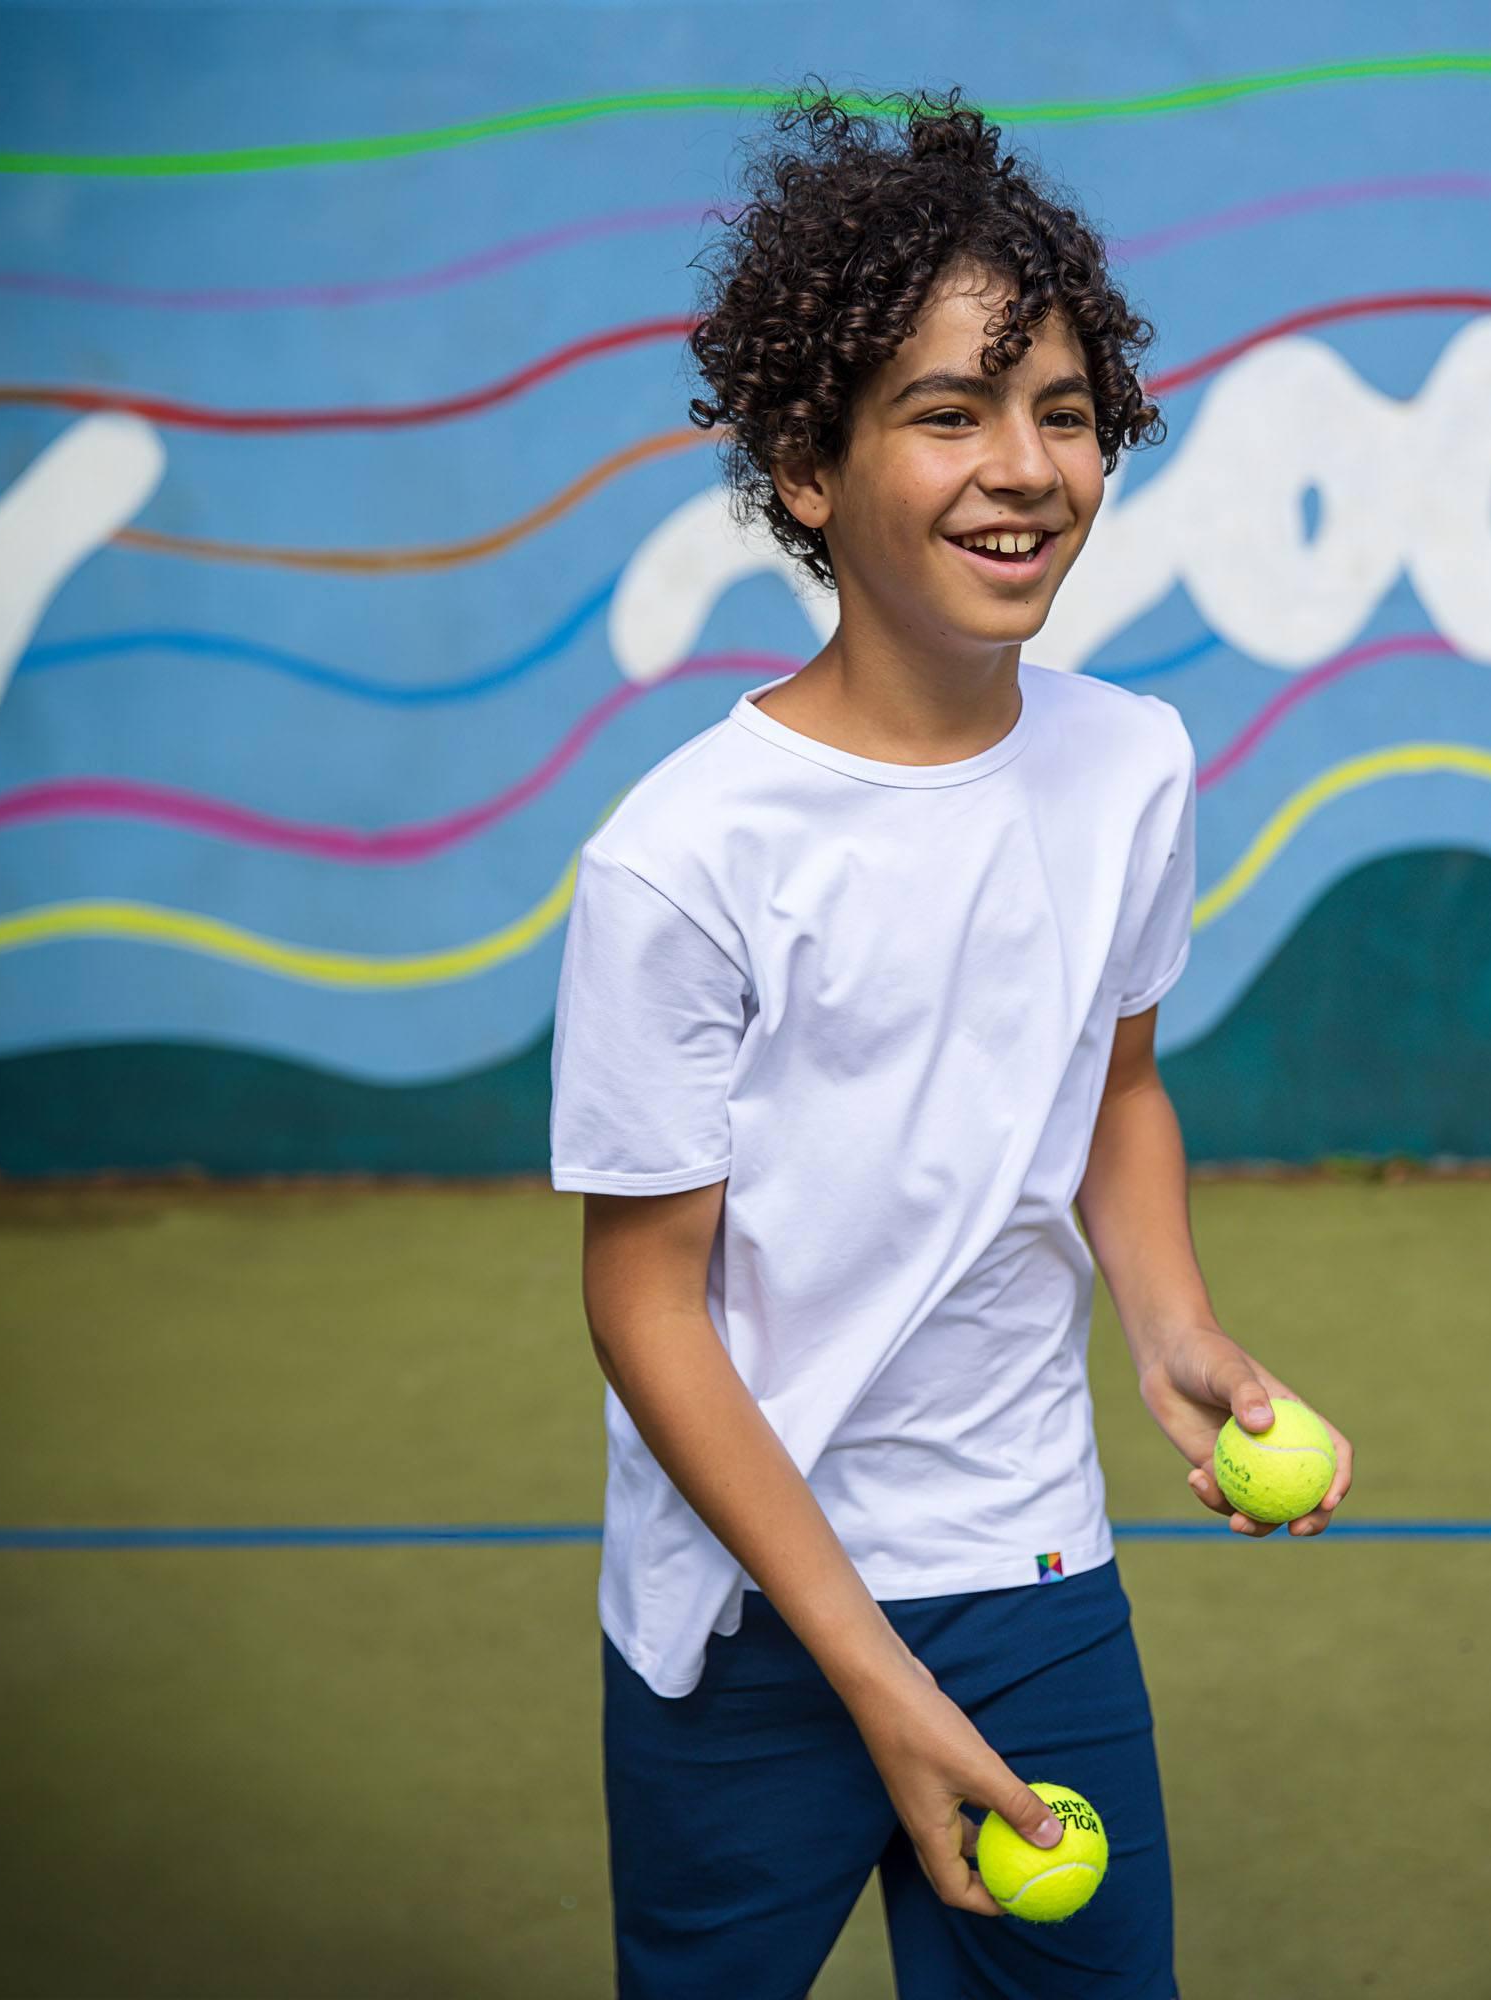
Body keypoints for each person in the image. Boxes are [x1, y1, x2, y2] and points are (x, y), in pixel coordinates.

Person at [548, 78, 1354, 2000]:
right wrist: (869, 1675)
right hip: (752, 1623)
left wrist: (1169, 1325)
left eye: (1063, 412)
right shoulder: (677, 862)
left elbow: (1117, 1089)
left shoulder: (1132, 763)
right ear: (807, 471)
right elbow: (646, 1303)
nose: (1025, 465)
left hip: (1034, 1579)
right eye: (946, 412)